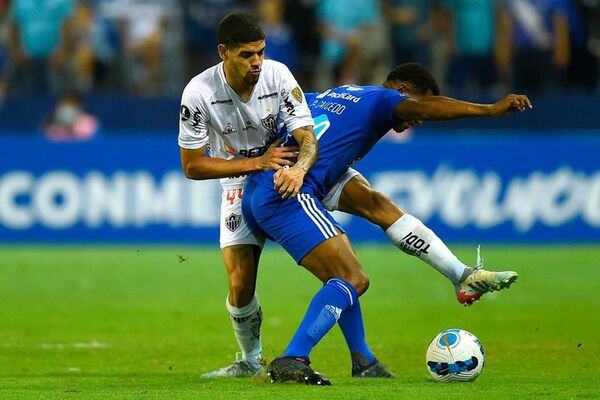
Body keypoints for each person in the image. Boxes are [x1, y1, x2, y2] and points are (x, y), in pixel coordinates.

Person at [242, 62, 531, 385]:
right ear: (403, 92)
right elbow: (426, 107)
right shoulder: (383, 99)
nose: (419, 118)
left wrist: (256, 154)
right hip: (287, 190)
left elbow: (275, 111)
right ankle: (293, 358)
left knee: (376, 205)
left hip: (263, 186)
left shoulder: (331, 94)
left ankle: (369, 355)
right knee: (352, 278)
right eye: (419, 106)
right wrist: (489, 110)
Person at [178, 12, 317, 379]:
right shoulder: (198, 93)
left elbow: (306, 134)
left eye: (260, 52)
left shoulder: (278, 74)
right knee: (240, 283)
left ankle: (361, 357)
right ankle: (251, 359)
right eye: (246, 55)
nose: (256, 62)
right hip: (239, 180)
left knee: (340, 261)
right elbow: (192, 166)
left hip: (287, 171)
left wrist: (299, 168)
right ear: (224, 52)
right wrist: (256, 163)